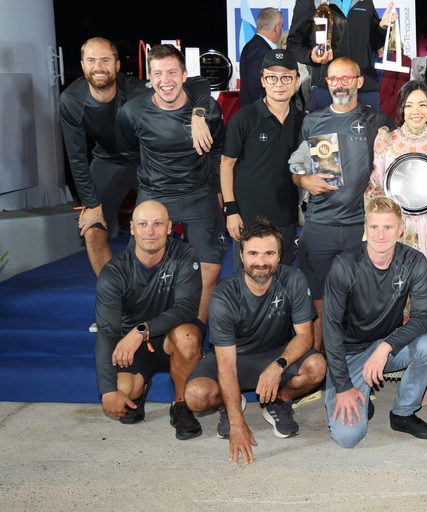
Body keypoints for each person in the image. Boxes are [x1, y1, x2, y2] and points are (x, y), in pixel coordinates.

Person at [60, 37, 212, 278]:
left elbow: (199, 83)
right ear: (82, 65)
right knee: (92, 228)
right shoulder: (71, 99)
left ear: (117, 65)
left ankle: (175, 287)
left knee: (162, 228)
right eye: (91, 60)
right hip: (107, 161)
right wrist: (91, 205)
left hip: (145, 161)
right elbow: (76, 156)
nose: (98, 66)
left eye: (105, 60)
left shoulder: (136, 89)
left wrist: (198, 114)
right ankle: (114, 295)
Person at [184, 217, 326, 465]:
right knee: (196, 396)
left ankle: (279, 401)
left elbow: (305, 336)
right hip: (234, 358)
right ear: (241, 255)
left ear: (280, 255)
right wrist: (237, 420)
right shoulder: (224, 297)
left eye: (269, 253)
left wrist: (278, 365)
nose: (261, 262)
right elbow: (226, 365)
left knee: (317, 366)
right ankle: (231, 403)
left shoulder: (293, 279)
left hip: (275, 355)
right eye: (253, 253)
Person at [116, 44, 226, 323]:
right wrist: (149, 181)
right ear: (149, 78)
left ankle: (194, 338)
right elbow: (129, 152)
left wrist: (217, 191)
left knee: (210, 270)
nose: (165, 80)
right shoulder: (132, 112)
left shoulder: (207, 109)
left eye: (172, 72)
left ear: (184, 74)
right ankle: (142, 330)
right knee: (141, 268)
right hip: (155, 195)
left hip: (199, 193)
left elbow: (217, 151)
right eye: (158, 74)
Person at [289, 56, 394, 349]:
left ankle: (360, 363)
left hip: (360, 228)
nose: (339, 84)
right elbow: (296, 168)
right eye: (333, 79)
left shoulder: (377, 120)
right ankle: (319, 367)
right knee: (319, 302)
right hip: (319, 226)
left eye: (346, 78)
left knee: (361, 299)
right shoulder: (312, 120)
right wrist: (302, 181)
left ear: (359, 82)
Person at [323, 197, 427, 448]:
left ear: (400, 229)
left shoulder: (413, 261)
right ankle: (357, 394)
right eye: (374, 227)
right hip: (349, 354)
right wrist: (343, 386)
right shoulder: (344, 265)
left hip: (385, 348)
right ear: (365, 229)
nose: (380, 234)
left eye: (388, 227)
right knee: (348, 437)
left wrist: (386, 347)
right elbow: (330, 328)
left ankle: (403, 413)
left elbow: (423, 317)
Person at [94, 200, 203, 440]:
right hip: (135, 347)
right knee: (123, 390)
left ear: (169, 227)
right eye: (143, 224)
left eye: (157, 224)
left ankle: (181, 405)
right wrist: (107, 391)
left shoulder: (185, 254)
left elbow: (186, 308)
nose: (150, 231)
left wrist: (141, 330)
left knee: (187, 336)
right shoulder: (114, 271)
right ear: (132, 228)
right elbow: (107, 331)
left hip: (171, 339)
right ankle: (140, 390)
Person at [286, 0, 396, 110]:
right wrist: (311, 56)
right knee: (326, 139)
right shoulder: (307, 5)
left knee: (369, 137)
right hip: (326, 88)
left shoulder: (364, 0)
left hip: (364, 86)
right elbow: (293, 44)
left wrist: (383, 26)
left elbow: (374, 44)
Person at [221, 48, 303, 266]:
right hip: (248, 219)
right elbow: (227, 164)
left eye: (286, 77)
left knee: (282, 284)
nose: (279, 83)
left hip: (286, 219)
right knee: (247, 286)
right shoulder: (243, 118)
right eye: (272, 77)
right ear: (262, 80)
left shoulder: (305, 121)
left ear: (297, 81)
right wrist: (231, 211)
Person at [365, 80, 427, 264]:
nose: (416, 111)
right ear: (401, 109)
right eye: (409, 105)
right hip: (396, 224)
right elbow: (376, 186)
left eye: (422, 105)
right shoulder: (386, 139)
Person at [239, 7, 283, 107]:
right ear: (276, 28)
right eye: (281, 26)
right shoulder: (258, 49)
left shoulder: (255, 46)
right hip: (258, 117)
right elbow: (256, 86)